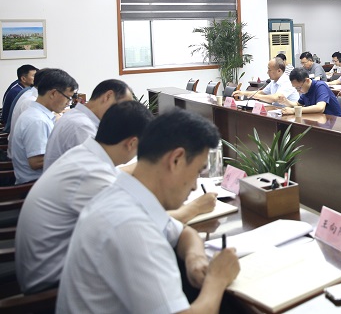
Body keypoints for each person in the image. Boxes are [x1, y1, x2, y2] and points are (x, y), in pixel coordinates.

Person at [56, 108, 239, 313]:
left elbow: (183, 232)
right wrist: (217, 279)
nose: (195, 185)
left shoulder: (121, 194)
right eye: (198, 171)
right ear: (176, 160)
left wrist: (195, 257)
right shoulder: (131, 227)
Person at [16, 101, 153, 293]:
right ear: (132, 143)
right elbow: (141, 227)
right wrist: (191, 208)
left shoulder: (84, 154)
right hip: (51, 285)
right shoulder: (91, 173)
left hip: (42, 265)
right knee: (147, 263)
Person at [43, 79, 134, 171]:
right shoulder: (81, 126)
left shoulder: (78, 116)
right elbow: (99, 170)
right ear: (108, 96)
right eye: (123, 106)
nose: (122, 113)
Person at [12, 69, 78, 185]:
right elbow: (36, 162)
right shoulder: (37, 121)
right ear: (53, 93)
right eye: (68, 97)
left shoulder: (38, 115)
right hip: (35, 184)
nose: (68, 103)